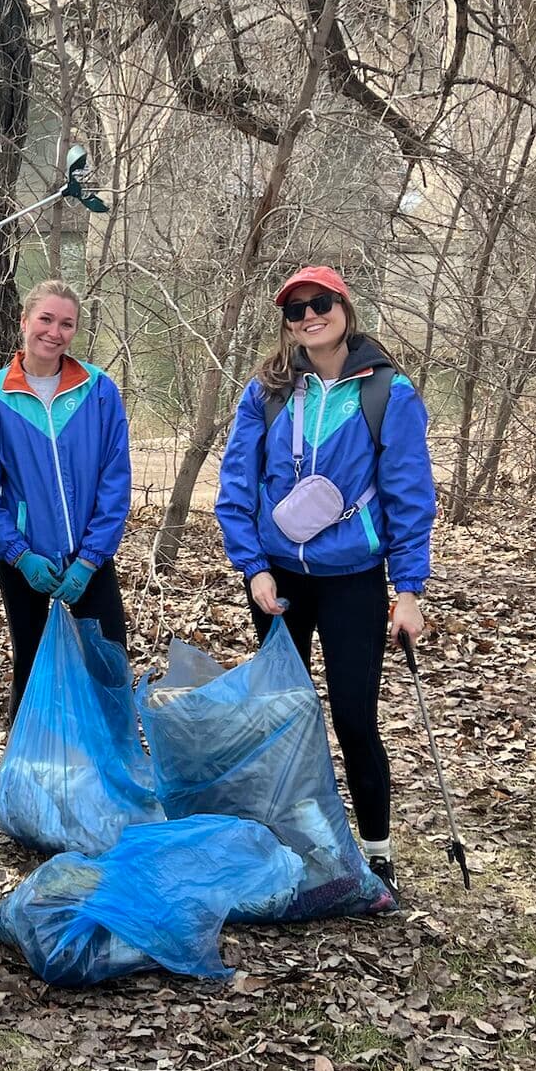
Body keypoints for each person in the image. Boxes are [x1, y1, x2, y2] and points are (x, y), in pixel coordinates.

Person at [214, 265, 436, 907]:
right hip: (278, 581)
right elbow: (236, 486)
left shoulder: (388, 393)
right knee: (280, 716)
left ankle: (377, 856)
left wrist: (409, 590)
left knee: (354, 719)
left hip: (353, 581)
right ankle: (287, 843)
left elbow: (409, 495)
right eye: (295, 309)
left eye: (320, 304)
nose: (309, 316)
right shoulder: (267, 391)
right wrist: (253, 567)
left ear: (344, 307)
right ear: (287, 323)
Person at [0, 279, 132, 717]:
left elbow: (115, 479)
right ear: (24, 321)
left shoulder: (98, 390)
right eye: (46, 319)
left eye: (66, 324)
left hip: (89, 560)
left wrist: (90, 558)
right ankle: (31, 756)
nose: (55, 332)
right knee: (33, 669)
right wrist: (19, 554)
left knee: (108, 665)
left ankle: (113, 755)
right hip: (25, 562)